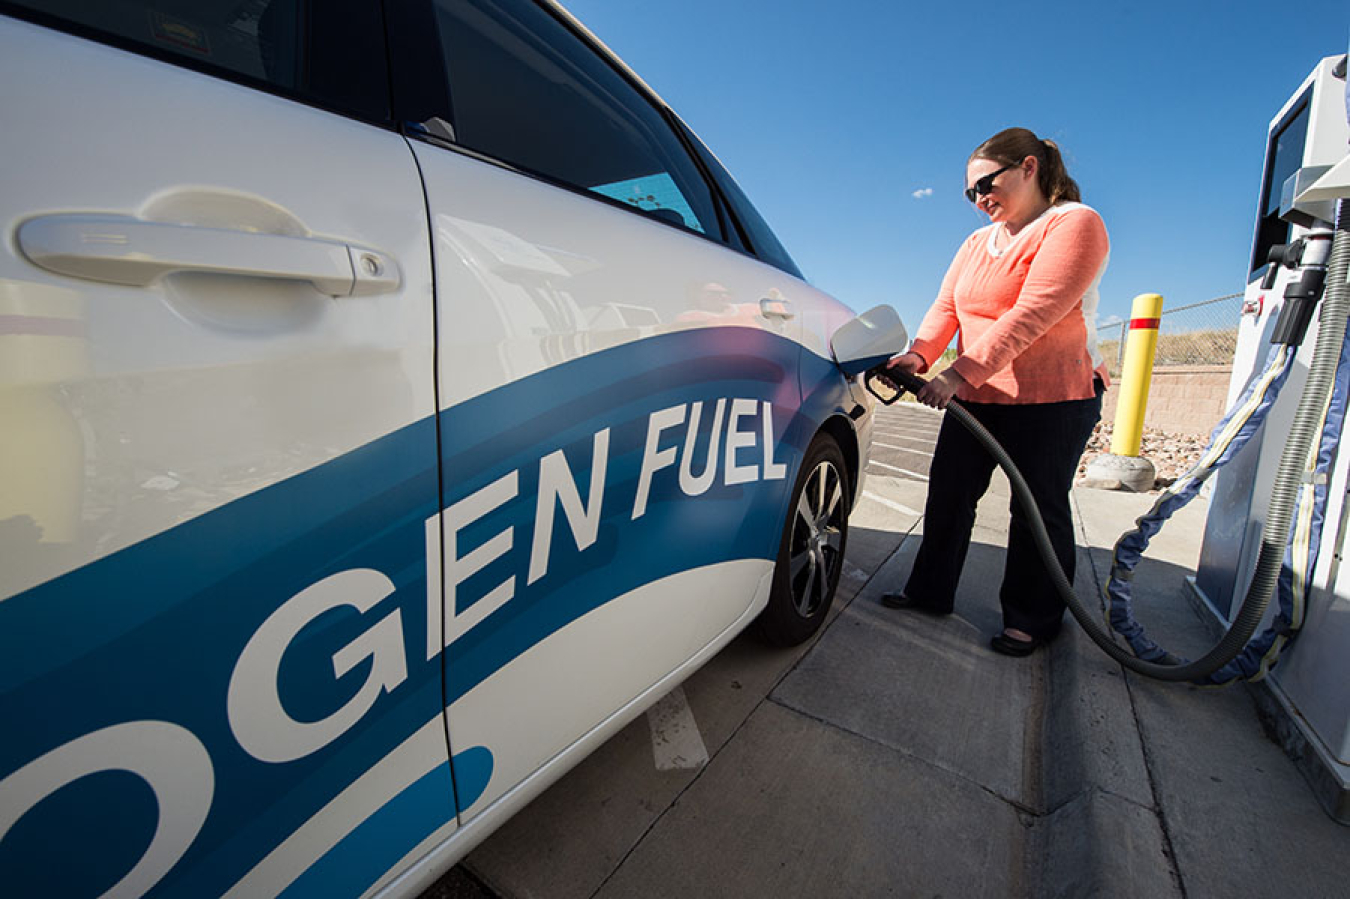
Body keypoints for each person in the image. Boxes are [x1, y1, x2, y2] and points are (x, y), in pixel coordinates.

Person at [883, 127, 1109, 657]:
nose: (979, 198)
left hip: (1054, 396)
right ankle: (929, 591)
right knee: (949, 495)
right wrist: (919, 355)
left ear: (1029, 167)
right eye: (970, 193)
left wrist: (957, 375)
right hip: (980, 396)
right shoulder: (976, 243)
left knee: (1035, 509)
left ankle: (1032, 618)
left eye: (987, 183)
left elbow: (1035, 313)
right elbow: (946, 307)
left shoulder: (1074, 224)